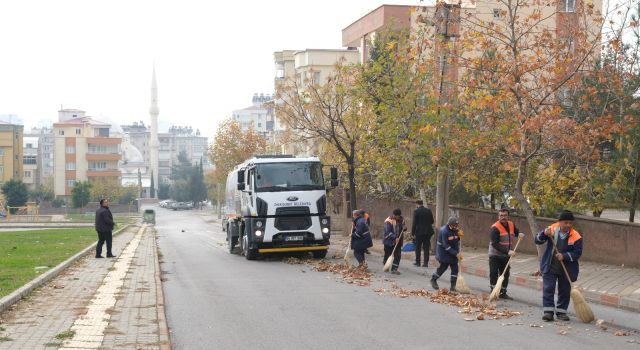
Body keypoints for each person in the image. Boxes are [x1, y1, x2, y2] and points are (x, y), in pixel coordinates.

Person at [535, 210, 583, 322]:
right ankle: (548, 312)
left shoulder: (576, 236)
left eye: (570, 223)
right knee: (548, 288)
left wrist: (565, 256)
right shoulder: (551, 230)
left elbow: (578, 253)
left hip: (567, 268)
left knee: (565, 290)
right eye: (566, 222)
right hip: (550, 265)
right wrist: (543, 234)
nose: (568, 225)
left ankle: (561, 312)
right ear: (560, 222)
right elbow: (537, 240)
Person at [488, 209, 520, 300]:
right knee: (494, 273)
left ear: (508, 216)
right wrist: (507, 251)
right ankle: (493, 292)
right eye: (501, 215)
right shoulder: (495, 228)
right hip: (495, 254)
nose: (503, 217)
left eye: (505, 215)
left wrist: (520, 234)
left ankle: (503, 292)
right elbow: (495, 244)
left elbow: (516, 232)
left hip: (506, 255)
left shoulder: (511, 224)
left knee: (505, 273)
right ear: (498, 216)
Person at [430, 217, 461, 291]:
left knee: (455, 268)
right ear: (450, 225)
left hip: (453, 252)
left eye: (457, 226)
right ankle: (433, 280)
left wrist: (459, 236)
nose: (456, 227)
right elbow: (445, 245)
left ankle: (453, 286)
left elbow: (456, 238)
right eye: (455, 226)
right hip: (444, 253)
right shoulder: (444, 231)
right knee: (442, 268)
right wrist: (456, 254)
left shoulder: (455, 230)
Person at [383, 208, 407, 275]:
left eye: (398, 216)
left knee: (398, 255)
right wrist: (394, 237)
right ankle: (386, 263)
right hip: (389, 241)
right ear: (394, 215)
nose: (397, 217)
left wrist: (405, 228)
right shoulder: (388, 221)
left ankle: (394, 269)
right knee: (388, 254)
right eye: (396, 216)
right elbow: (388, 232)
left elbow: (403, 228)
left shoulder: (401, 220)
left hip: (398, 241)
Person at [411, 200, 435, 267]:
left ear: (417, 204)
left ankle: (418, 262)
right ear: (422, 204)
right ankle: (425, 263)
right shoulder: (428, 210)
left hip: (419, 232)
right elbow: (432, 221)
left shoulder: (416, 211)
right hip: (428, 232)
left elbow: (414, 224)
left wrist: (412, 234)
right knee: (426, 247)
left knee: (418, 247)